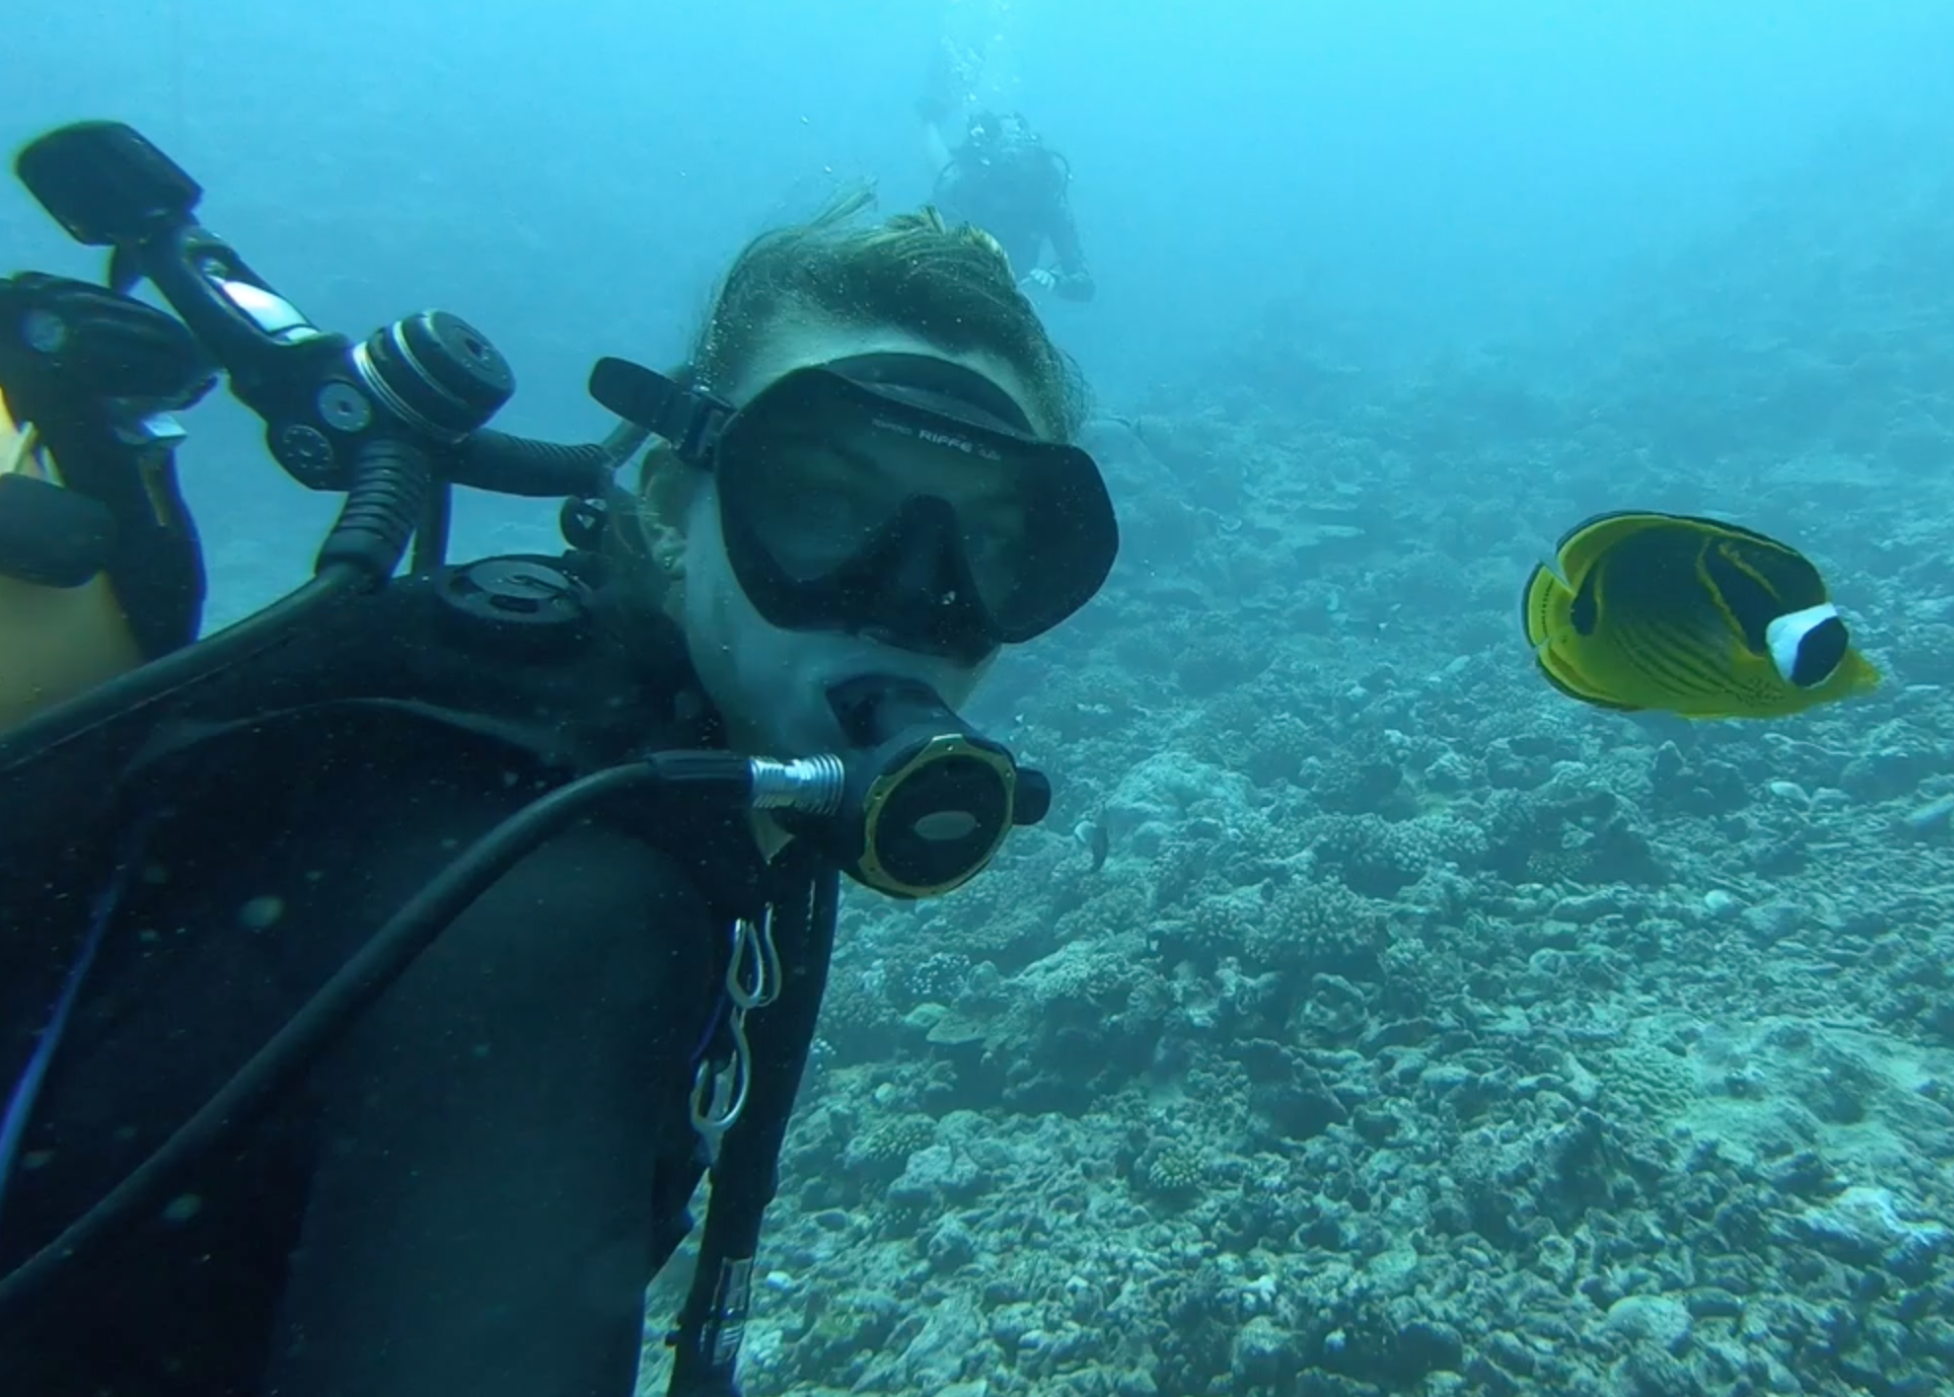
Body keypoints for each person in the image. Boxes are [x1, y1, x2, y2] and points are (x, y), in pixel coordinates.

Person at [0, 176, 1119, 1396]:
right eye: (821, 500)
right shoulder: (576, 907)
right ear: (672, 507)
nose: (905, 597)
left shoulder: (643, 753)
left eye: (986, 542)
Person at [920, 105, 1096, 303]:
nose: (1011, 156)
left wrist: (1054, 281)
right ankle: (930, 117)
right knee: (944, 174)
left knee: (944, 172)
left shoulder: (1046, 193)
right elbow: (927, 229)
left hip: (1000, 284)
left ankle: (930, 117)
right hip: (964, 278)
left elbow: (1084, 285)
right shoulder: (967, 181)